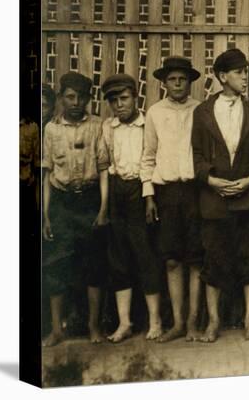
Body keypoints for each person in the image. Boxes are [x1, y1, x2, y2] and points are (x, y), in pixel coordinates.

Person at [191, 48, 249, 342]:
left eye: (246, 72)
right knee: (214, 262)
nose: (244, 77)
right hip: (214, 201)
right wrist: (211, 180)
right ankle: (213, 322)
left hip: (247, 201)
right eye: (239, 72)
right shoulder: (202, 112)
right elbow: (197, 156)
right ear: (223, 76)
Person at [42, 72, 109, 346]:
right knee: (57, 264)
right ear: (61, 98)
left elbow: (104, 169)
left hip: (90, 200)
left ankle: (94, 327)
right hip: (61, 202)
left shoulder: (97, 126)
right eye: (70, 96)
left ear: (88, 99)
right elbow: (47, 174)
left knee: (93, 264)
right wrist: (46, 215)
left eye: (81, 97)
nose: (76, 102)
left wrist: (103, 208)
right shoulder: (51, 129)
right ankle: (57, 329)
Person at [140, 57, 203, 342]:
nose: (177, 84)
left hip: (194, 191)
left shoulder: (200, 110)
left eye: (182, 79)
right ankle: (177, 323)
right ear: (163, 82)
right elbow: (148, 155)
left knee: (195, 258)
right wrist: (149, 195)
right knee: (172, 260)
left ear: (189, 81)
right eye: (172, 79)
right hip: (166, 193)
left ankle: (192, 323)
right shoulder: (154, 112)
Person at [101, 73, 164, 343]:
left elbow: (152, 159)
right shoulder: (108, 127)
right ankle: (124, 322)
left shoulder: (145, 123)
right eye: (113, 100)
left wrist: (149, 196)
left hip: (141, 191)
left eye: (124, 98)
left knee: (145, 255)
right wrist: (106, 205)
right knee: (118, 258)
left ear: (135, 97)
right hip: (117, 191)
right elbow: (106, 165)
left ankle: (155, 321)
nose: (119, 105)